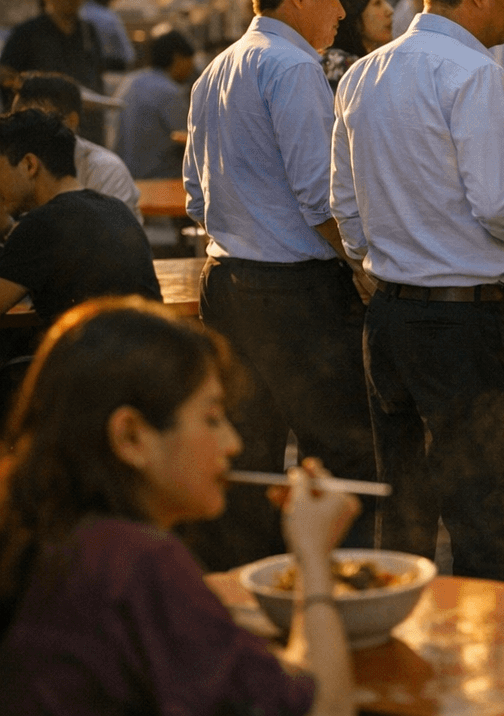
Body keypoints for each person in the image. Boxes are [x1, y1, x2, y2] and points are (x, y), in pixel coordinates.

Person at [332, 0, 504, 583]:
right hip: (466, 328)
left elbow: (345, 208)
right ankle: (479, 667)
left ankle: (404, 657)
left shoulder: (362, 75)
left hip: (391, 323)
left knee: (403, 515)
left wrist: (388, 255)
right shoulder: (473, 72)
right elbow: (497, 199)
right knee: (487, 518)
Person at [0, 297, 359, 716]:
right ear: (131, 436)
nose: (233, 444)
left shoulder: (36, 525)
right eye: (211, 418)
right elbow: (328, 708)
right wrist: (313, 558)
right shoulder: (136, 562)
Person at [182, 0, 376, 572]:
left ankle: (248, 593)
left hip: (226, 282)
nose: (342, 14)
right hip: (295, 297)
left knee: (244, 455)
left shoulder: (219, 67)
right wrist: (362, 266)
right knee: (346, 453)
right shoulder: (292, 67)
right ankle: (341, 592)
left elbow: (194, 196)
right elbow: (321, 200)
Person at [0, 109, 159, 331]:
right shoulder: (115, 208)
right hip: (151, 354)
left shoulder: (39, 226)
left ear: (29, 164)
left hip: (86, 362)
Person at [1, 0, 108, 144]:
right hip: (41, 133)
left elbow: (98, 75)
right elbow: (4, 74)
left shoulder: (88, 31)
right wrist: (34, 87)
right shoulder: (27, 33)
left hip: (85, 129)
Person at [11, 72, 141, 221]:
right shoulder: (12, 163)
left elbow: (116, 239)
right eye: (15, 121)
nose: (20, 132)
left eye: (34, 123)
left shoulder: (106, 169)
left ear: (71, 121)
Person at [117, 30, 194, 180]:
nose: (191, 69)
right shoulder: (169, 92)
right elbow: (190, 138)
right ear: (178, 58)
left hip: (126, 176)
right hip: (159, 179)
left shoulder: (131, 82)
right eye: (190, 61)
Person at [322, 0, 394, 89]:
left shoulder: (368, 60)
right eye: (377, 3)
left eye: (385, 0)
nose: (389, 10)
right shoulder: (341, 65)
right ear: (352, 11)